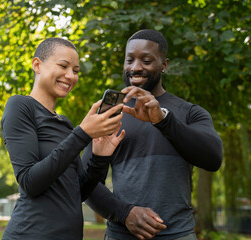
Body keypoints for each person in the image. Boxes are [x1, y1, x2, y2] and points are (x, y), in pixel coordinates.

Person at [82, 29, 223, 240]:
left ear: (164, 65)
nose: (136, 67)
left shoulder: (190, 113)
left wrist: (163, 121)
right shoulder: (108, 114)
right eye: (129, 60)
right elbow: (86, 183)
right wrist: (125, 213)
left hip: (178, 234)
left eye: (146, 61)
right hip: (121, 235)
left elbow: (213, 158)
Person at [1, 37, 126, 240]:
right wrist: (82, 133)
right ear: (37, 65)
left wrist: (100, 157)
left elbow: (77, 193)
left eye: (76, 71)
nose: (70, 76)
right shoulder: (20, 106)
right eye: (63, 66)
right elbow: (30, 182)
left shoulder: (64, 123)